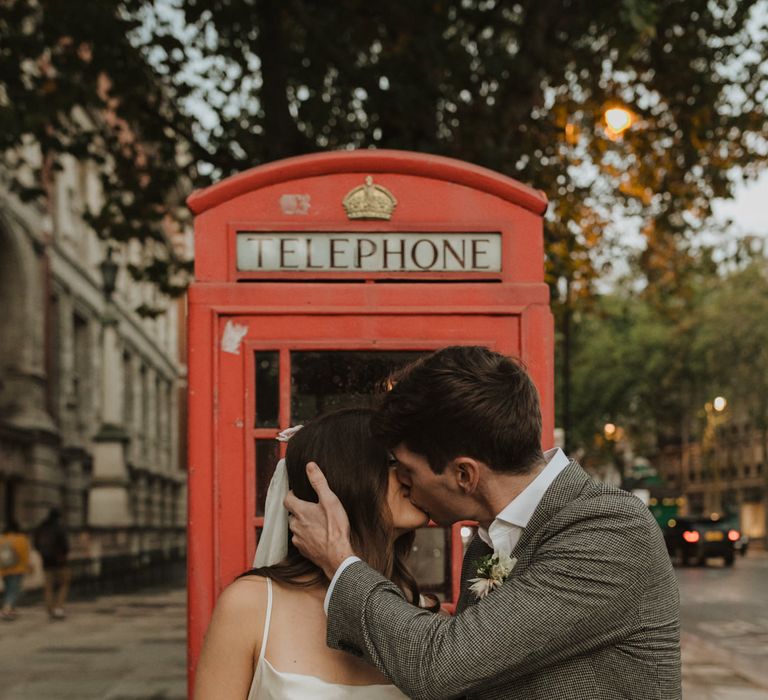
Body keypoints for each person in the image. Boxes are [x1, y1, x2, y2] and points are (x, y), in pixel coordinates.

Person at [286, 346, 682, 700]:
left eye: (406, 469)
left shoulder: (610, 532)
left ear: (464, 475)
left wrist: (340, 560)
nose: (402, 483)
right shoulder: (490, 537)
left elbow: (439, 667)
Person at [194, 407, 430, 699]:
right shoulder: (250, 605)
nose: (414, 477)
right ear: (347, 477)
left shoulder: (418, 610)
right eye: (395, 464)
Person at [34, 508, 70, 620]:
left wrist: (43, 554)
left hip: (46, 562)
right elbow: (66, 546)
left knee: (48, 587)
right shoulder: (60, 528)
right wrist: (63, 555)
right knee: (64, 584)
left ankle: (50, 609)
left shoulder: (40, 528)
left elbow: (36, 544)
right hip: (60, 562)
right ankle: (58, 608)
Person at [0, 518, 31, 621]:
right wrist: (28, 566)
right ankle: (6, 610)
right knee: (13, 591)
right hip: (17, 569)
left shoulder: (2, 539)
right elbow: (25, 555)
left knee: (8, 590)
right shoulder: (21, 539)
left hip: (4, 569)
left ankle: (11, 611)